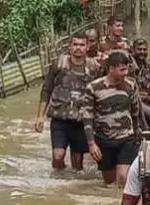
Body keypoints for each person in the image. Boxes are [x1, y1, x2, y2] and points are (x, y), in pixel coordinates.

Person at [34, 33, 101, 171]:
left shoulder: (94, 68)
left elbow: (100, 94)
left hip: (81, 122)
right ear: (70, 46)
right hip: (60, 121)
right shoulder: (59, 64)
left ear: (87, 47)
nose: (78, 48)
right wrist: (40, 116)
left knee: (77, 164)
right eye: (75, 44)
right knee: (58, 157)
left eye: (82, 45)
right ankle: (58, 182)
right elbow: (47, 89)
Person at [82, 52, 141, 187]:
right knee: (109, 182)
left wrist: (137, 134)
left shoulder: (131, 84)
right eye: (122, 70)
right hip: (104, 139)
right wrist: (91, 144)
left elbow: (135, 112)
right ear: (111, 69)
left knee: (123, 178)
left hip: (127, 137)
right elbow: (87, 118)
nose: (125, 73)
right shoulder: (94, 87)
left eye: (127, 69)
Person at [132, 38, 150, 107]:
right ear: (133, 50)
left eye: (145, 50)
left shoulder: (148, 66)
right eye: (139, 49)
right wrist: (147, 97)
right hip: (137, 100)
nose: (142, 52)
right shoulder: (128, 67)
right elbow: (129, 92)